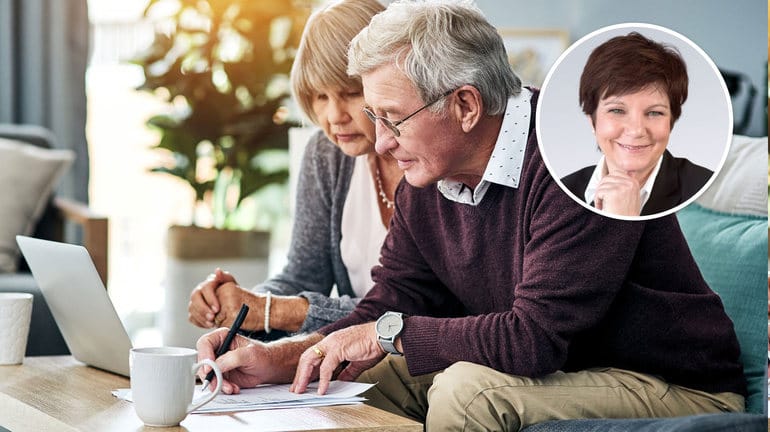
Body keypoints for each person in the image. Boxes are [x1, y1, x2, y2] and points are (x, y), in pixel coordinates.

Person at [196, 1, 746, 430]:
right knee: (349, 384)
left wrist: (387, 334)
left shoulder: (579, 163)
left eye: (392, 118)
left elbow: (534, 338)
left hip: (671, 381)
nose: (381, 143)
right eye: (375, 117)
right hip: (563, 369)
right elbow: (389, 302)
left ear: (464, 105)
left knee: (466, 391)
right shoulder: (431, 171)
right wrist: (283, 357)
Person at [187, 0, 400, 337]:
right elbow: (303, 275)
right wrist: (241, 306)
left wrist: (269, 311)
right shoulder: (327, 154)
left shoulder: (429, 157)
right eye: (320, 97)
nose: (335, 116)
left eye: (351, 92)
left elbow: (410, 311)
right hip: (347, 360)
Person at [560, 32, 713, 217]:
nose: (636, 130)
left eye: (654, 112)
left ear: (671, 122)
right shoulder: (559, 191)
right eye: (617, 110)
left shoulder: (707, 191)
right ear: (592, 121)